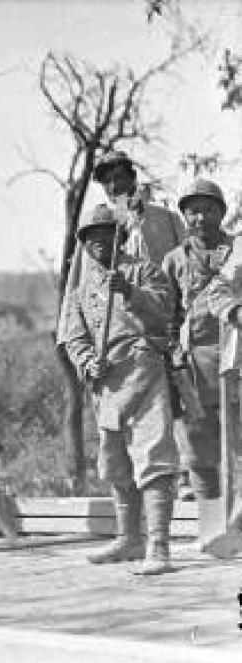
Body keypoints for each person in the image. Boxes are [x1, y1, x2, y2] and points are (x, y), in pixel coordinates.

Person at [58, 204, 179, 575]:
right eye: (91, 238)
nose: (98, 243)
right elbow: (71, 336)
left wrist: (129, 291)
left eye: (106, 235)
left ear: (119, 236)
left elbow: (164, 311)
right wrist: (85, 361)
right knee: (114, 462)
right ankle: (130, 538)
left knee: (153, 455)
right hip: (107, 384)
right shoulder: (79, 291)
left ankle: (158, 546)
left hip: (145, 370)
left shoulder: (144, 271)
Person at [161, 180, 242, 528]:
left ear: (222, 213)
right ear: (184, 217)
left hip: (236, 359)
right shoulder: (175, 259)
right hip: (193, 366)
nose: (200, 217)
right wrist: (171, 358)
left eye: (208, 209)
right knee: (198, 453)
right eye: (193, 210)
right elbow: (165, 314)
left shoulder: (237, 252)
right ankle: (212, 528)